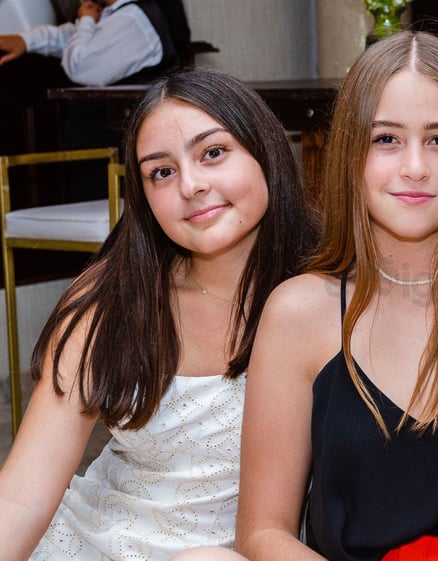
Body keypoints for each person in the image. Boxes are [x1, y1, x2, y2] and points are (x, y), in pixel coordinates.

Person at [173, 30, 438, 561]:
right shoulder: (299, 311)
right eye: (385, 139)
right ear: (350, 154)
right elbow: (264, 532)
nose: (414, 166)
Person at [0, 66, 318, 561]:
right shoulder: (113, 298)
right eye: (161, 172)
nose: (190, 185)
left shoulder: (332, 294)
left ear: (266, 153)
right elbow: (21, 496)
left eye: (213, 153)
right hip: (92, 545)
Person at [0, 0, 185, 87]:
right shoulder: (113, 13)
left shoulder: (131, 19)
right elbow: (70, 36)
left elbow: (80, 67)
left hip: (116, 142)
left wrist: (86, 20)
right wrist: (24, 40)